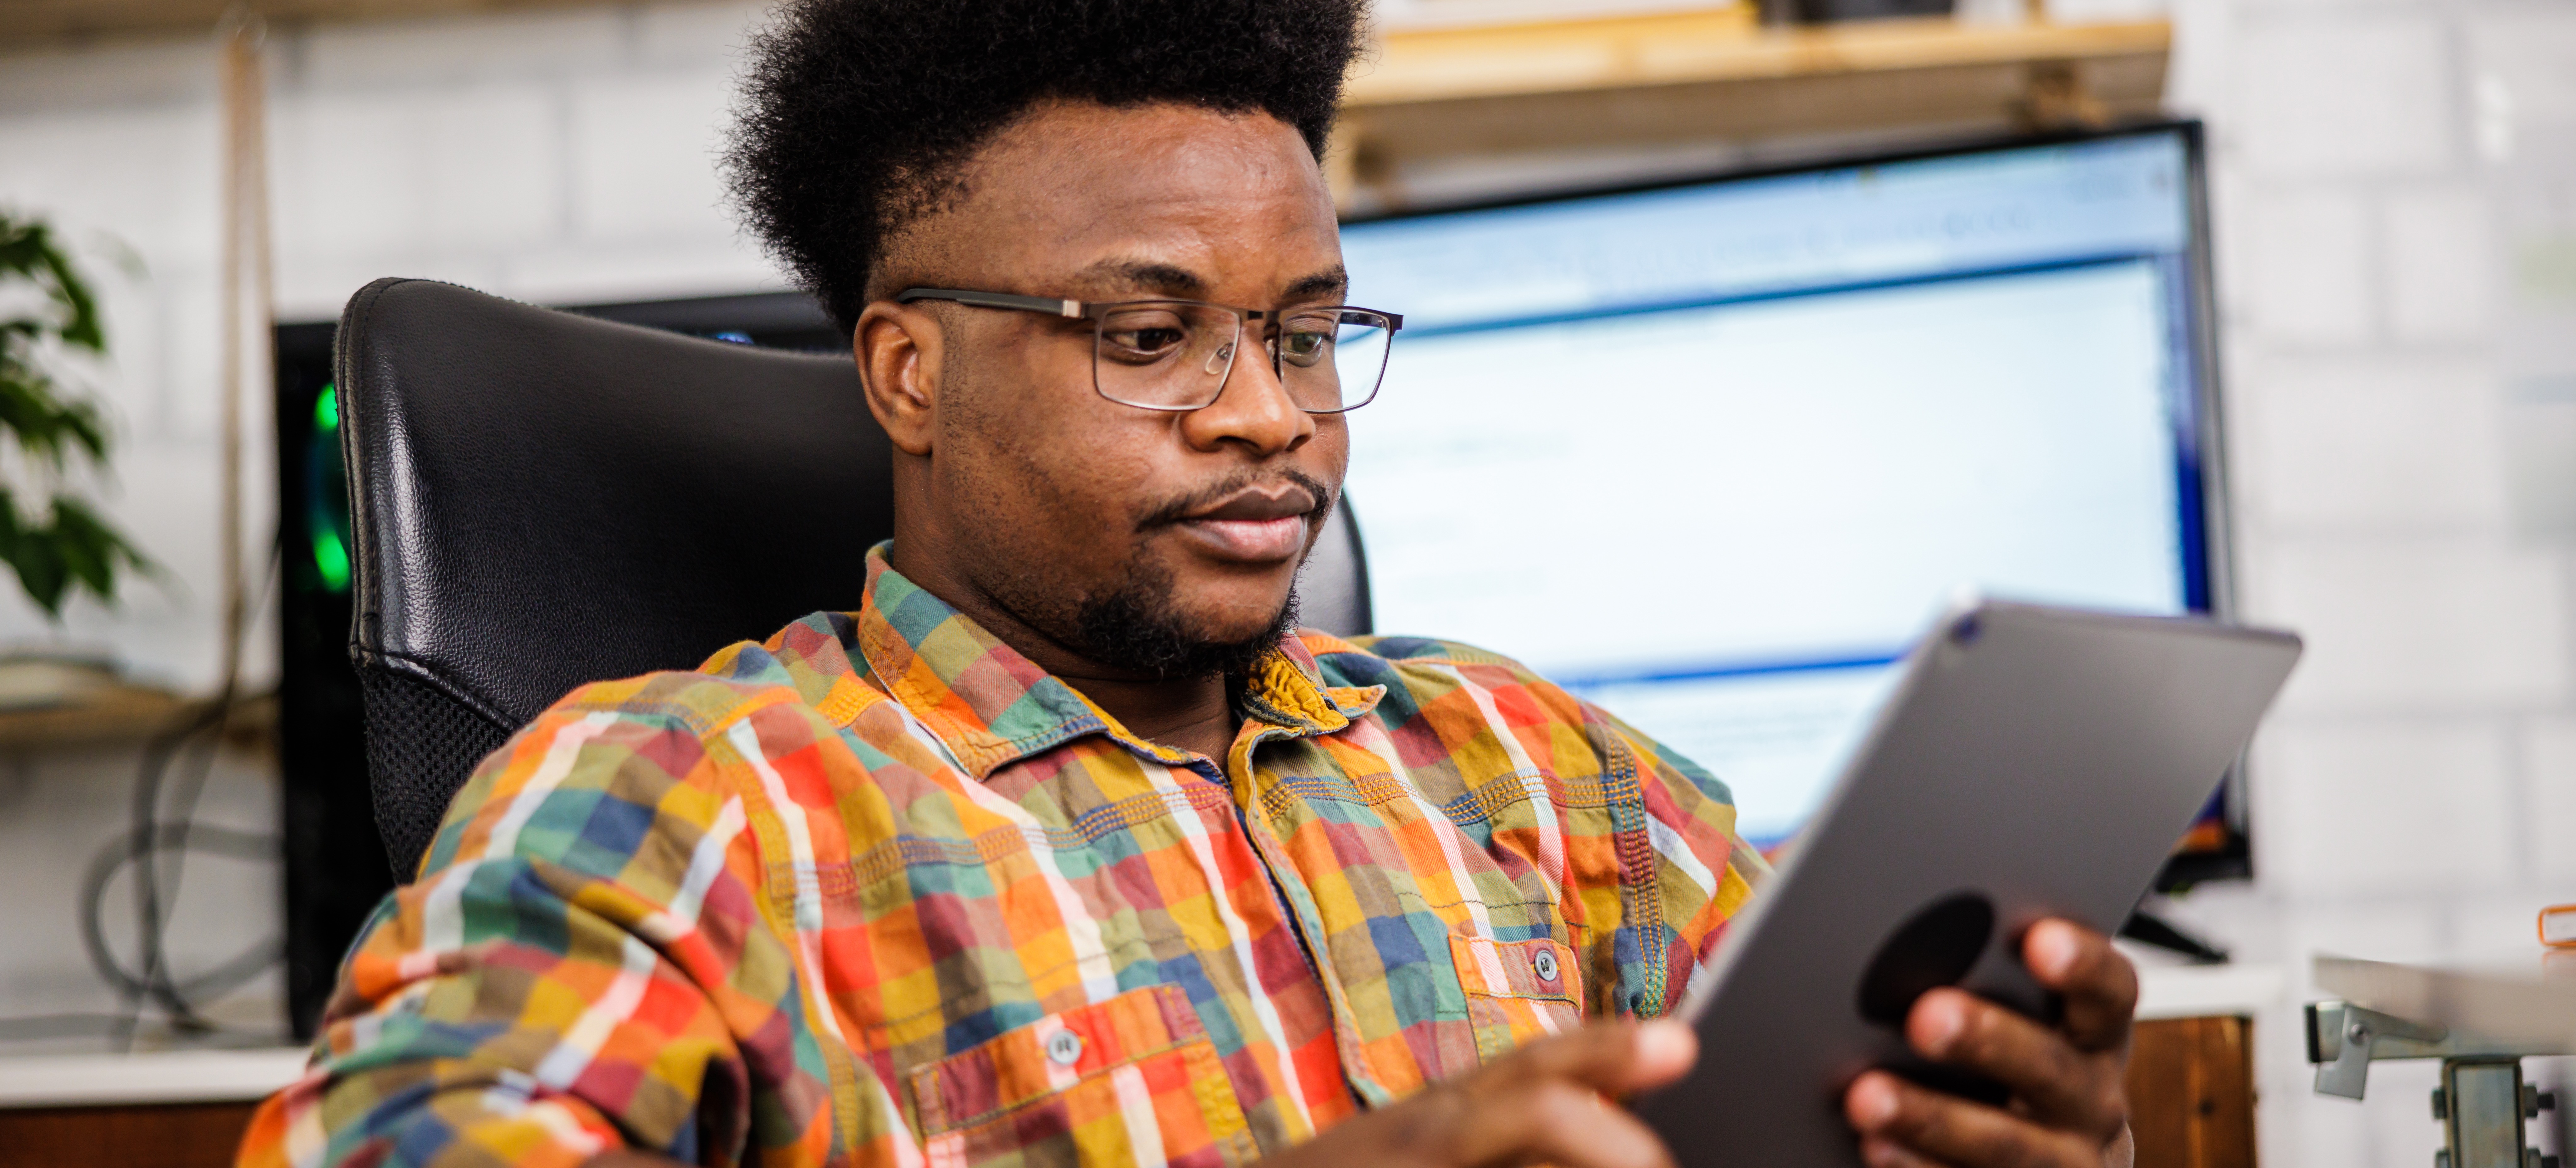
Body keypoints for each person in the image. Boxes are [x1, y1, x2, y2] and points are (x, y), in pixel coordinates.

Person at [240, 3, 2139, 1166]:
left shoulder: (1535, 776)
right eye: (1152, 337)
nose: (1268, 420)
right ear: (908, 371)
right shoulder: (690, 803)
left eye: (1306, 336)